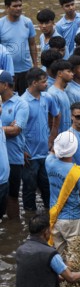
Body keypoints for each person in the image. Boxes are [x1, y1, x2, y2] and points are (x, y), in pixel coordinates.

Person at [46, 131, 80, 254]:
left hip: (55, 216)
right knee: (76, 256)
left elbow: (52, 152)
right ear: (74, 150)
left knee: (60, 255)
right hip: (73, 219)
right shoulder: (77, 173)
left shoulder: (48, 162)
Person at [22, 68, 57, 212]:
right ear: (34, 83)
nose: (47, 84)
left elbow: (56, 115)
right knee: (29, 189)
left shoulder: (47, 98)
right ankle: (29, 217)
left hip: (45, 152)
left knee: (47, 186)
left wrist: (52, 137)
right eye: (43, 82)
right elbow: (18, 129)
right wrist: (21, 150)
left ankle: (50, 215)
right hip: (29, 155)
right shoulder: (22, 102)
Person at [0, 70, 29, 219]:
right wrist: (7, 128)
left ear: (5, 85)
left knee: (12, 195)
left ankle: (13, 227)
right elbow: (10, 129)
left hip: (12, 157)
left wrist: (3, 129)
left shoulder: (21, 104)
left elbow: (16, 130)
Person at [0, 0, 37, 94]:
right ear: (7, 8)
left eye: (20, 5)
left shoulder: (27, 22)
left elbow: (32, 44)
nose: (19, 8)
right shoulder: (1, 24)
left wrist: (35, 65)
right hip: (8, 72)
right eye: (15, 6)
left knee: (27, 97)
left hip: (26, 69)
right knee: (9, 99)